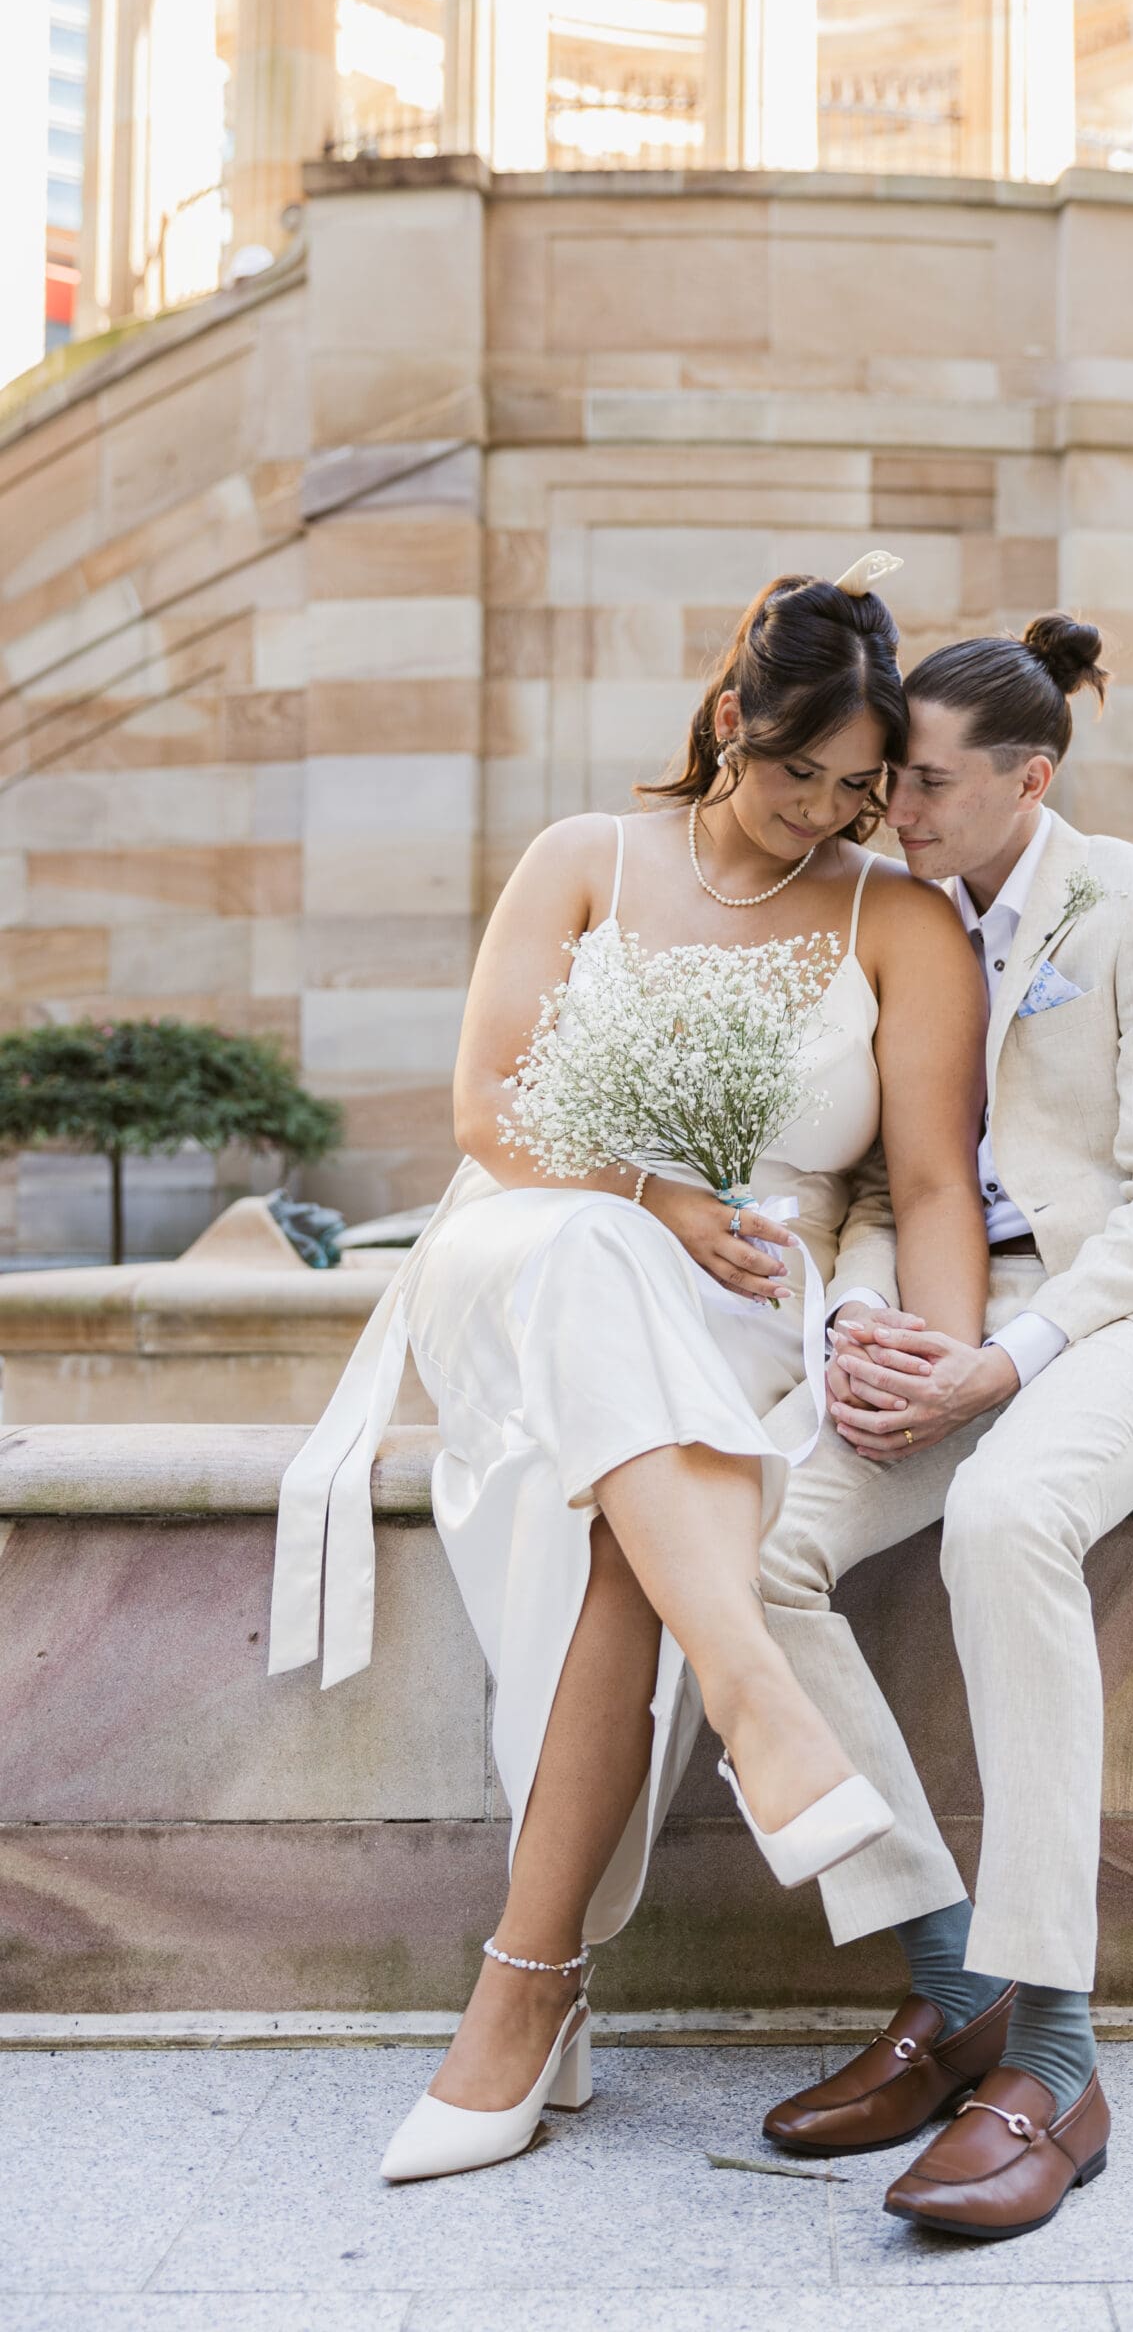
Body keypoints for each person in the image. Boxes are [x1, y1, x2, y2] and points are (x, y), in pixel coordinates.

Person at [266, 557, 991, 2184]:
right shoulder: (584, 858)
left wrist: (937, 1359)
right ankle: (757, 1698)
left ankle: (525, 2001)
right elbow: (487, 1116)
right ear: (733, 717)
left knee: (629, 1525)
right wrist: (652, 1196)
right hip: (526, 1254)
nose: (820, 811)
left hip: (743, 1309)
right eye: (797, 769)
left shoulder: (903, 923)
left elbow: (933, 1183)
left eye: (856, 788)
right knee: (598, 1267)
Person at [758, 612, 1133, 2242]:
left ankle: (1052, 2055)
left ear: (1026, 776)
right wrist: (861, 1326)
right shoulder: (889, 915)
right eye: (884, 784)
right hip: (944, 1303)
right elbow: (862, 1181)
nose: (888, 809)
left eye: (919, 784)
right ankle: (948, 1979)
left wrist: (1016, 1356)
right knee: (758, 1562)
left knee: (1004, 1517)